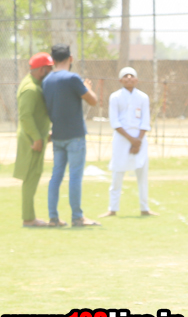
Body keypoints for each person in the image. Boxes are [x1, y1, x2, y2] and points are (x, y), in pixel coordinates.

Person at [42, 44, 99, 227]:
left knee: (56, 176)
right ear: (71, 58)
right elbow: (93, 100)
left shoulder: (47, 80)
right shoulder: (72, 78)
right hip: (75, 135)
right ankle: (77, 217)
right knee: (74, 176)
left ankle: (53, 217)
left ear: (53, 60)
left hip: (57, 135)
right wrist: (87, 87)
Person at [104, 67, 155, 217]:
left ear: (137, 79)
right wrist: (131, 140)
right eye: (125, 76)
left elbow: (145, 121)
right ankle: (112, 209)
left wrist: (138, 140)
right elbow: (115, 122)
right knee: (117, 173)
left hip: (140, 138)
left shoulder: (143, 97)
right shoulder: (115, 97)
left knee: (142, 174)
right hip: (122, 138)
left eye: (132, 76)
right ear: (120, 80)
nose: (129, 78)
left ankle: (145, 208)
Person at [14, 53, 53, 227]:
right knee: (31, 177)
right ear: (42, 70)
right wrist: (37, 138)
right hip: (32, 140)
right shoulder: (30, 89)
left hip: (35, 138)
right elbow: (25, 116)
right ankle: (29, 219)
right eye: (49, 68)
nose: (51, 71)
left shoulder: (35, 85)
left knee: (33, 176)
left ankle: (29, 217)